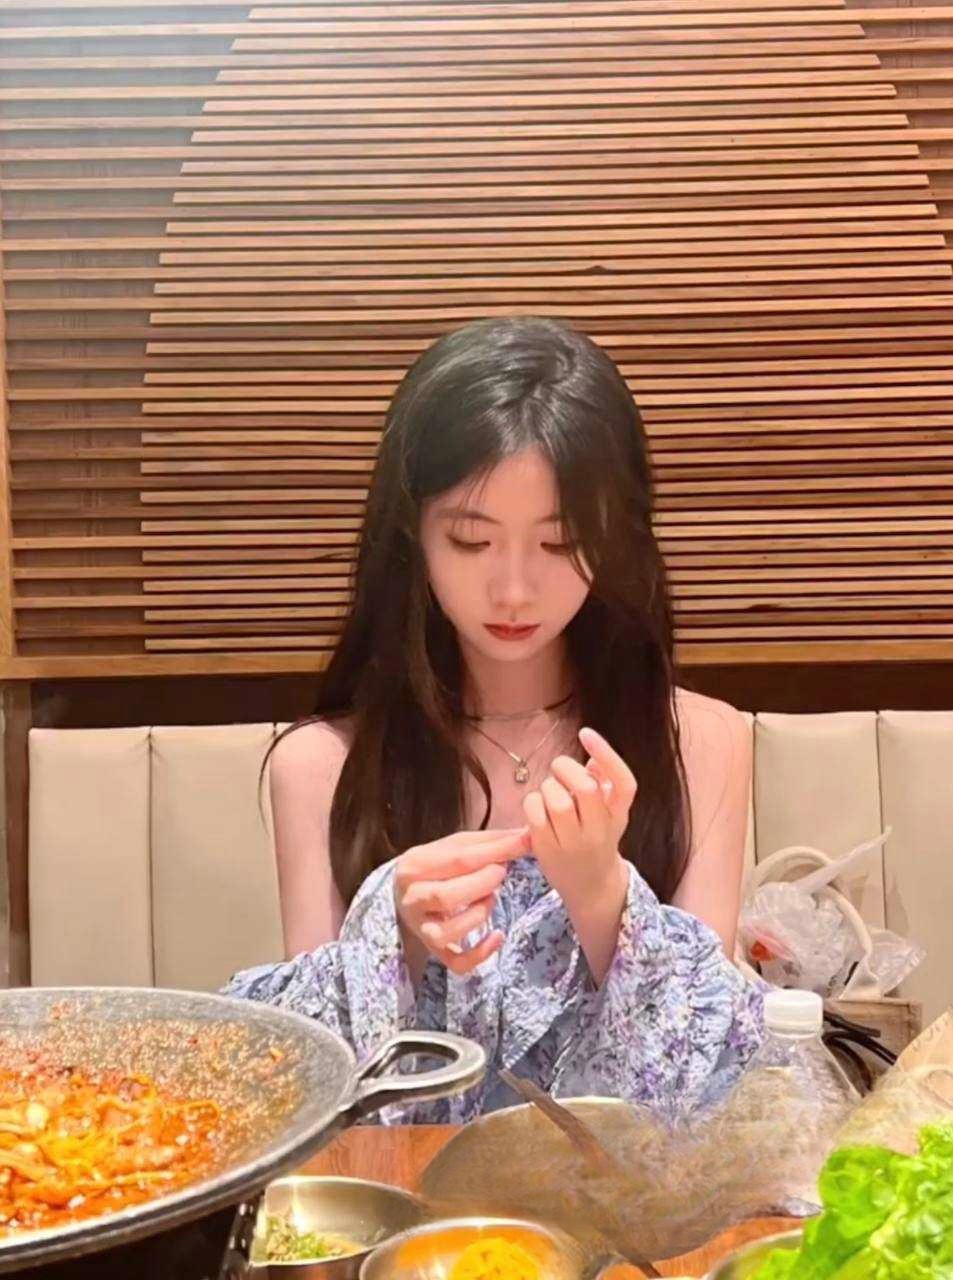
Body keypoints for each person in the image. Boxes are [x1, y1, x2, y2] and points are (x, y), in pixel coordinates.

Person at [225, 316, 763, 1122]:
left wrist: (602, 897)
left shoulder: (701, 741)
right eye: (471, 542)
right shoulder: (322, 764)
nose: (513, 590)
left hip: (624, 1200)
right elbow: (312, 1088)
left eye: (560, 542)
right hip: (401, 1199)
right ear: (412, 533)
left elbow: (702, 1085)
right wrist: (395, 932)